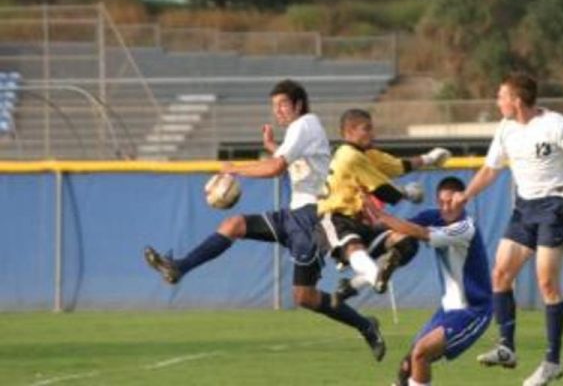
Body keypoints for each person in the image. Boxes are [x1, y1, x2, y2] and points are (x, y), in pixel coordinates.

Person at [143, 79, 386, 360]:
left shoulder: (305, 124)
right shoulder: (303, 129)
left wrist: (236, 169)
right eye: (274, 106)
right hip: (294, 215)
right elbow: (297, 163)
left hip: (312, 220)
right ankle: (179, 267)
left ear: (298, 104)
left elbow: (276, 168)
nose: (278, 111)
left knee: (304, 297)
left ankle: (366, 325)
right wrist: (273, 147)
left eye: (283, 104)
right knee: (234, 225)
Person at [449, 72, 563, 386]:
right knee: (500, 274)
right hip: (524, 209)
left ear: (517, 100)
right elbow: (490, 169)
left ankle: (552, 362)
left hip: (555, 206)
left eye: (501, 96)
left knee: (546, 283)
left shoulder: (557, 125)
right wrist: (465, 195)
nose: (498, 102)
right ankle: (506, 347)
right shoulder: (506, 128)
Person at [364, 176, 492, 386]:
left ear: (463, 200)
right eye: (441, 202)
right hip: (447, 309)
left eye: (451, 201)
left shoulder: (465, 228)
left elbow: (420, 232)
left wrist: (380, 214)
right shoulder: (435, 216)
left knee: (421, 354)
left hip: (473, 311)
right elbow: (403, 228)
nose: (446, 207)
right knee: (407, 366)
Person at [317, 108, 451, 304]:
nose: (372, 133)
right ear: (349, 132)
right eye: (366, 129)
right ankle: (374, 276)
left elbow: (399, 165)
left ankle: (351, 286)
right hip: (335, 218)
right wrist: (406, 193)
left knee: (406, 243)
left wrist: (429, 158)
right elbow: (384, 191)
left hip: (359, 222)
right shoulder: (349, 155)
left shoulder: (366, 154)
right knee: (354, 246)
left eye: (372, 128)